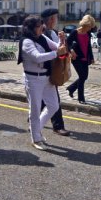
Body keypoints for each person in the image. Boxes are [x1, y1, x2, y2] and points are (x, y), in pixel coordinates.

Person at [18, 16, 67, 151]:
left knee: (53, 105)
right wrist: (56, 53)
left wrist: (62, 40)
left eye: (42, 25)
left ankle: (36, 129)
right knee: (34, 109)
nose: (42, 28)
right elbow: (36, 57)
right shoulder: (27, 41)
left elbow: (57, 47)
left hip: (46, 77)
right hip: (33, 79)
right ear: (32, 28)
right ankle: (36, 138)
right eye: (40, 26)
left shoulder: (42, 38)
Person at [40, 8, 71, 136]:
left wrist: (63, 41)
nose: (56, 20)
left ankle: (34, 119)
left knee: (43, 99)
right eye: (56, 18)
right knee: (54, 101)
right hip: (45, 71)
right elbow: (55, 51)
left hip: (49, 71)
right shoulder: (43, 33)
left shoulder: (53, 32)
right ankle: (57, 126)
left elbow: (61, 49)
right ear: (52, 19)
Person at [66, 15, 96, 104]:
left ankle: (71, 88)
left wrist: (92, 58)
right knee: (82, 77)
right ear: (85, 25)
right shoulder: (74, 33)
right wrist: (71, 50)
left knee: (84, 77)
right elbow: (67, 43)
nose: (90, 28)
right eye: (89, 26)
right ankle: (81, 98)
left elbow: (88, 46)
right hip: (76, 58)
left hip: (85, 58)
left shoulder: (88, 34)